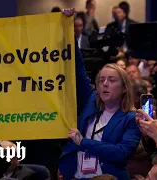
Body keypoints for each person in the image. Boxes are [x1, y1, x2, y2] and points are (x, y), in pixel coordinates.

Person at [58, 9, 141, 180]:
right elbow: (78, 68)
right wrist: (69, 30)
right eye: (101, 80)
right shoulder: (91, 100)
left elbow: (120, 153)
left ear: (124, 87)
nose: (104, 84)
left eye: (111, 80)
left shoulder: (131, 118)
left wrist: (83, 142)